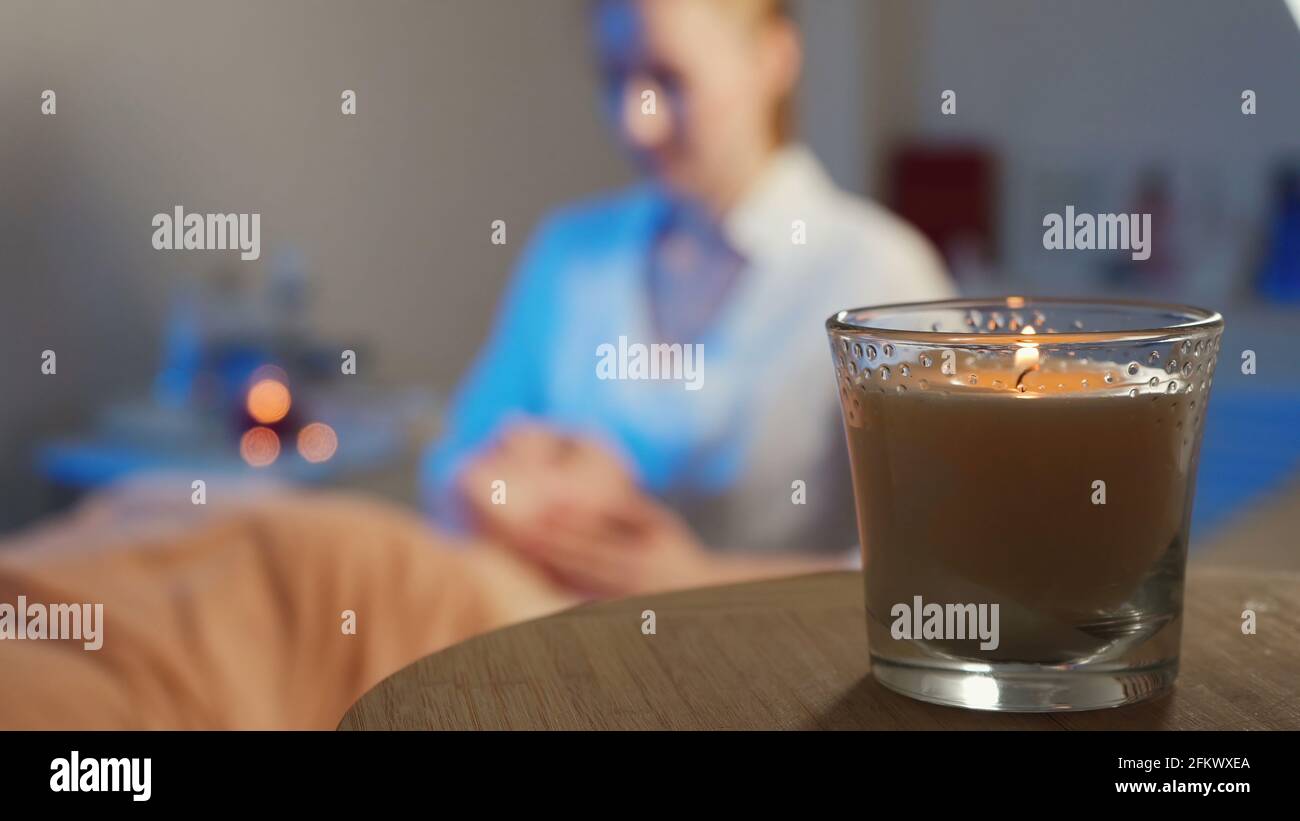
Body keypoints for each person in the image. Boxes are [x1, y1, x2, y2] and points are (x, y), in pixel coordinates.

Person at [423, 0, 954, 597]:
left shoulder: (878, 274)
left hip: (778, 675)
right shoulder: (570, 253)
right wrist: (512, 501)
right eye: (614, 77)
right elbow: (453, 465)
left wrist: (698, 584)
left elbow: (946, 553)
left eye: (668, 80)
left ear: (772, 57)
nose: (634, 121)